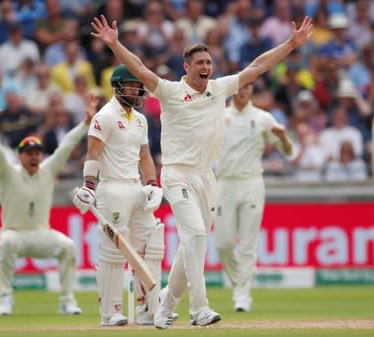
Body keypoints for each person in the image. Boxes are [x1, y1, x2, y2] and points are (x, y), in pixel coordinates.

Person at [89, 14, 312, 329]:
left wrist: (291, 43)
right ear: (187, 67)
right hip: (177, 173)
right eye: (200, 63)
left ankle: (165, 306)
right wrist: (114, 44)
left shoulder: (219, 89)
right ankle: (199, 309)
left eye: (209, 62)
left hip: (207, 176)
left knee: (192, 245)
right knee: (194, 235)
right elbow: (139, 68)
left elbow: (258, 67)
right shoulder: (169, 92)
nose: (206, 67)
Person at [0, 94, 98, 316]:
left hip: (41, 234)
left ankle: (67, 301)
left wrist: (85, 123)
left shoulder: (48, 170)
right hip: (14, 234)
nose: (34, 157)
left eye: (37, 153)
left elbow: (66, 146)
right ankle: (5, 297)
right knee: (4, 243)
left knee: (68, 247)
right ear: (20, 156)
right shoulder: (8, 173)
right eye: (29, 154)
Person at [72, 64, 165, 326]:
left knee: (152, 244)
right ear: (118, 86)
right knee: (113, 252)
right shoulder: (105, 116)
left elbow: (145, 156)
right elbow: (93, 153)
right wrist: (89, 185)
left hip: (137, 187)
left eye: (139, 86)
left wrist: (153, 184)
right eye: (133, 85)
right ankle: (110, 312)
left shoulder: (140, 119)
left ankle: (149, 309)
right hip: (112, 188)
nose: (137, 90)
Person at [214, 83, 293, 313]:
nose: (242, 90)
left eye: (247, 86)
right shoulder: (219, 117)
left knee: (248, 243)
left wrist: (284, 138)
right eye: (239, 86)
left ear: (252, 90)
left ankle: (242, 295)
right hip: (224, 184)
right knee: (223, 244)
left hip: (251, 182)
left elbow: (288, 152)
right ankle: (241, 281)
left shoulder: (263, 118)